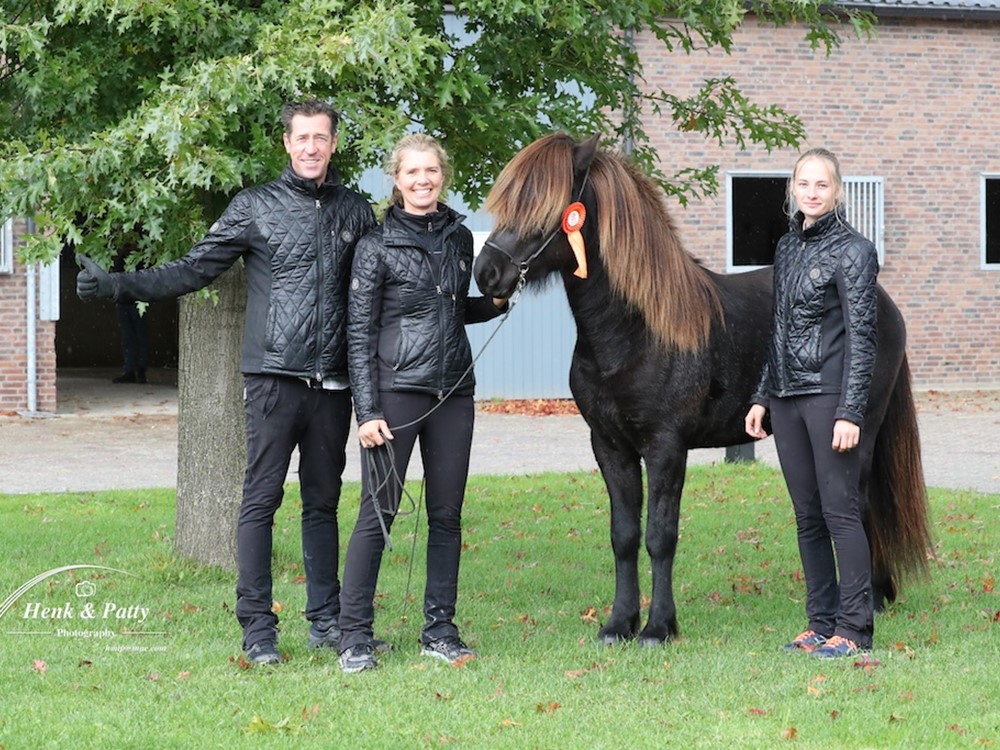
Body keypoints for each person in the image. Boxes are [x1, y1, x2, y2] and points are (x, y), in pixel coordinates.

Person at [76, 99, 377, 665]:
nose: (311, 147)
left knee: (322, 504)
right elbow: (193, 269)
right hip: (271, 380)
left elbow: (384, 287)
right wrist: (120, 284)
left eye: (321, 137)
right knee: (261, 501)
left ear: (334, 144)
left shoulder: (356, 213)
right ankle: (258, 629)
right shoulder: (254, 206)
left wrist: (478, 301)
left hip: (334, 386)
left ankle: (326, 622)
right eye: (301, 138)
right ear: (286, 144)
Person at [337, 134, 506, 673]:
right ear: (396, 180)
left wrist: (495, 302)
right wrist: (367, 413)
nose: (422, 180)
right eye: (412, 173)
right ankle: (354, 638)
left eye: (430, 171)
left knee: (446, 517)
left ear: (442, 175)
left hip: (454, 392)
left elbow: (451, 311)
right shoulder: (376, 244)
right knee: (378, 515)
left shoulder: (459, 237)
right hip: (395, 394)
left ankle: (440, 630)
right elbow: (359, 333)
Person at [745, 148, 879, 659]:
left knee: (839, 511)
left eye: (822, 184)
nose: (812, 192)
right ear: (793, 189)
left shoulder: (855, 251)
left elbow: (863, 339)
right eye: (804, 183)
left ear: (837, 190)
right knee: (807, 516)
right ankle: (820, 624)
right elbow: (778, 330)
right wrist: (761, 396)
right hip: (784, 398)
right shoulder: (786, 248)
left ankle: (854, 629)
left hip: (827, 398)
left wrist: (851, 411)